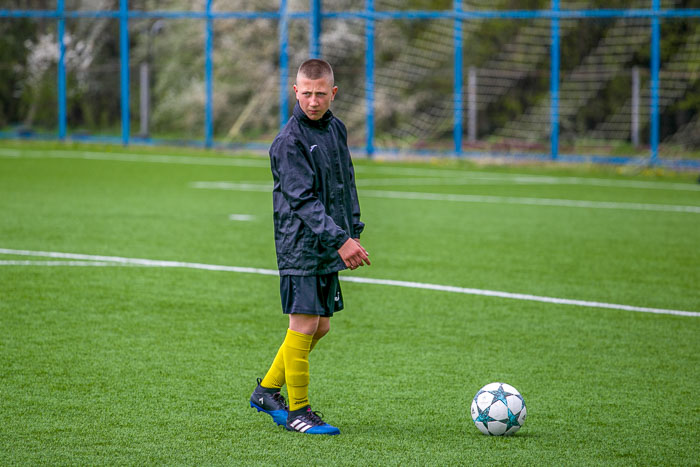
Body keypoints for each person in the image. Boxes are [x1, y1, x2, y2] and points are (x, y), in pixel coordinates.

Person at [249, 58, 370, 435]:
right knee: (303, 324)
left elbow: (345, 183)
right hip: (300, 244)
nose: (313, 101)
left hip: (329, 242)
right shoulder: (288, 142)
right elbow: (302, 201)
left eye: (320, 94)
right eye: (306, 93)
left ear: (332, 93)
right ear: (295, 92)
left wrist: (353, 231)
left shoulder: (337, 130)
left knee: (321, 328)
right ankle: (299, 411)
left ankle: (267, 390)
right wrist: (340, 240)